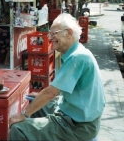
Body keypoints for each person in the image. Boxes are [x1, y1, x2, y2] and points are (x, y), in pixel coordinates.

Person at [9, 13, 105, 141]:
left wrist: (23, 114)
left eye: (54, 33)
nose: (50, 37)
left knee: (18, 128)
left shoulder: (77, 57)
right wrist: (39, 100)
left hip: (78, 125)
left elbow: (50, 93)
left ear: (69, 33)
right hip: (74, 115)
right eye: (50, 34)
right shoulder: (78, 52)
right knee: (34, 101)